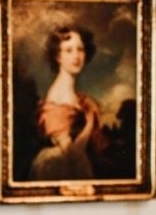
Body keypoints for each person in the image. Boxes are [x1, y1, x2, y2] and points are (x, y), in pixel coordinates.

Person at [28, 24, 105, 180]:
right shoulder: (57, 96)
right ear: (58, 56)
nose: (76, 56)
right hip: (58, 167)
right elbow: (72, 154)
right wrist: (90, 120)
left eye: (80, 49)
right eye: (69, 50)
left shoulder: (74, 95)